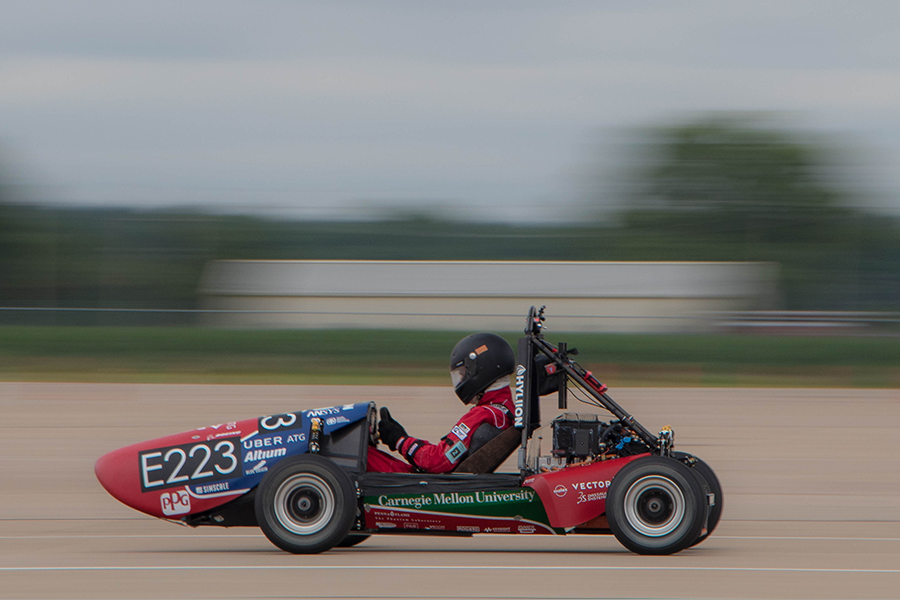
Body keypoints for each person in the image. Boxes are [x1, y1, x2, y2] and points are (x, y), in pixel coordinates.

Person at [366, 332, 516, 473]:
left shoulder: (482, 414)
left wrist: (399, 440)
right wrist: (404, 439)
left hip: (431, 488)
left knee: (365, 458)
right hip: (444, 481)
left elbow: (437, 461)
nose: (461, 380)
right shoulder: (506, 411)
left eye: (463, 373)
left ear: (481, 370)